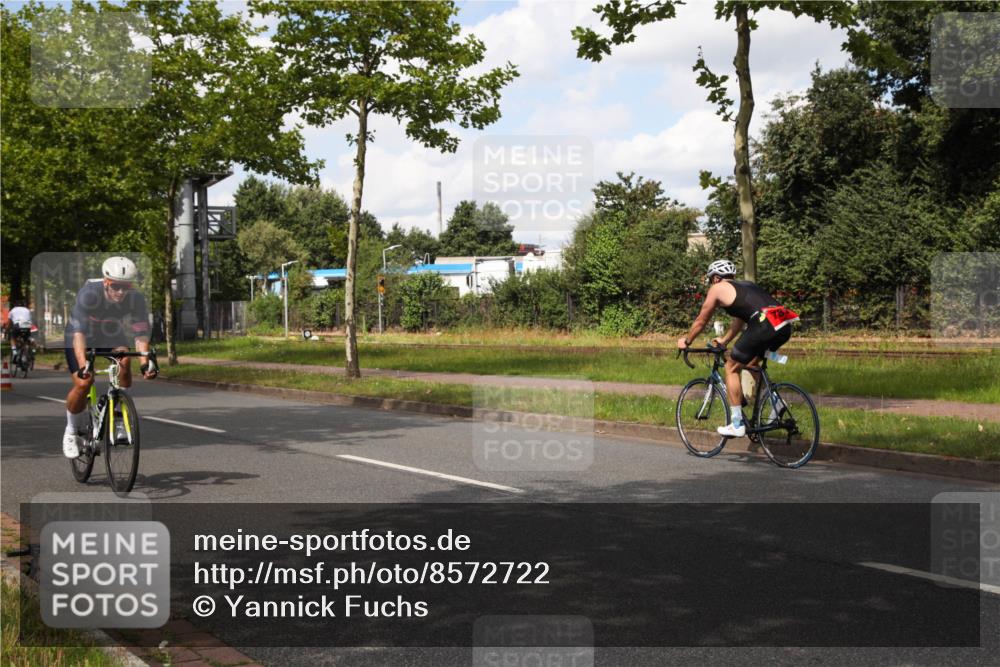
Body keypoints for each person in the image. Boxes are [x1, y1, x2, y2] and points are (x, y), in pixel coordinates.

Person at [677, 259, 798, 437]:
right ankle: (776, 403)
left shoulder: (717, 288)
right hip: (784, 323)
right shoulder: (746, 286)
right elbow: (740, 320)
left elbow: (701, 320)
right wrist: (725, 341)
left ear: (716, 278)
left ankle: (736, 423)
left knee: (731, 367)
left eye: (711, 279)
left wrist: (686, 341)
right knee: (751, 363)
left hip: (764, 324)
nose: (712, 283)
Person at [62, 256, 157, 458]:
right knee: (83, 383)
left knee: (125, 359)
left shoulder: (136, 298)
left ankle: (118, 417)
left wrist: (145, 363)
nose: (121, 292)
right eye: (115, 286)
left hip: (109, 333)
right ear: (106, 282)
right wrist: (83, 366)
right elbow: (78, 334)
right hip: (80, 334)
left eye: (126, 287)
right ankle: (71, 431)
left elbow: (140, 333)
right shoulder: (89, 294)